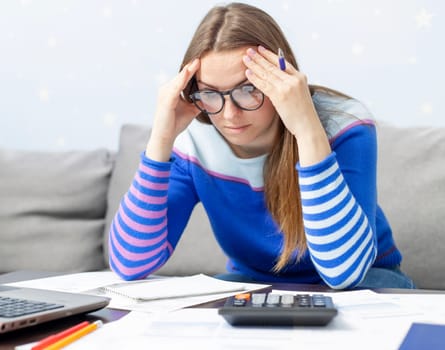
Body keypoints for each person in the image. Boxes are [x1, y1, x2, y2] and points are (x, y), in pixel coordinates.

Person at [108, 2, 415, 289]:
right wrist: (161, 141)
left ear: (282, 80)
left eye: (248, 89)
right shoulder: (194, 145)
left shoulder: (346, 124)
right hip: (255, 285)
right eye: (210, 93)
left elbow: (344, 273)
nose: (229, 114)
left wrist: (308, 132)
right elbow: (129, 264)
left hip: (366, 284)